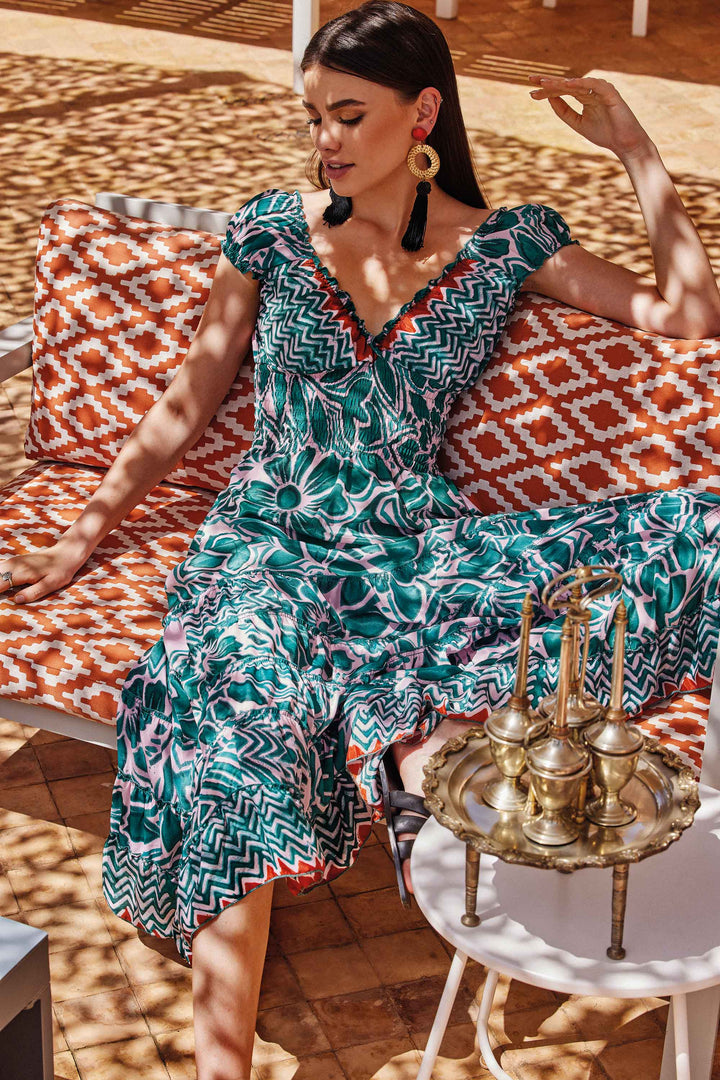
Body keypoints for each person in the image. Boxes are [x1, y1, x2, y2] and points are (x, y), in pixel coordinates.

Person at [2, 2, 720, 1077]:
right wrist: (78, 540)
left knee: (697, 531)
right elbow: (186, 405)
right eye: (314, 116)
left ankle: (419, 764)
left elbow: (690, 315)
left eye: (348, 113)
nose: (325, 138)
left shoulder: (502, 244)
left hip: (410, 552)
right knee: (234, 720)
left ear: (422, 113)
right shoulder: (271, 233)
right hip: (267, 546)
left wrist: (635, 151)